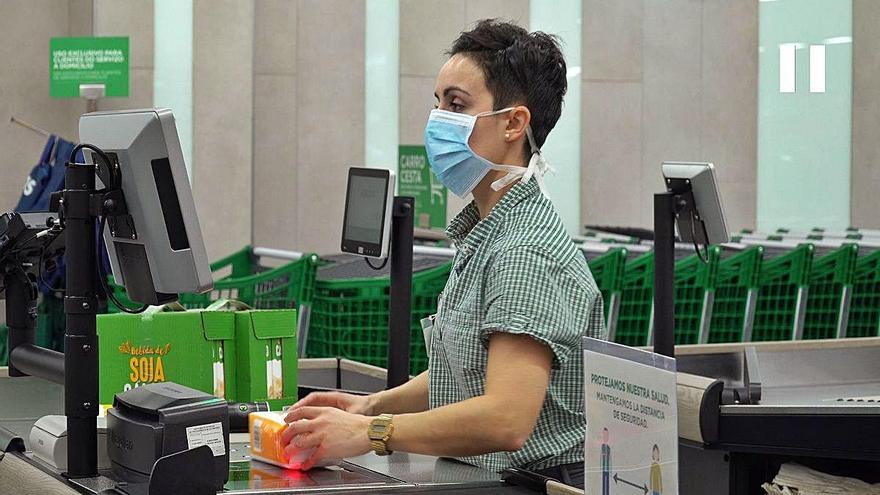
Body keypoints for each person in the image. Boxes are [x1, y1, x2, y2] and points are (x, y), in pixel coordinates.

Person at [281, 19, 606, 489]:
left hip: (530, 484)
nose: (438, 122)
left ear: (514, 123)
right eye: (437, 104)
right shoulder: (488, 234)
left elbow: (505, 419)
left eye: (457, 105)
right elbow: (467, 373)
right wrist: (371, 405)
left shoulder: (524, 251)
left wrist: (370, 433)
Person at [601, 428, 612, 495]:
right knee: (603, 484)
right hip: (603, 469)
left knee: (607, 484)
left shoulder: (608, 447)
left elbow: (610, 459)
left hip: (607, 469)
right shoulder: (602, 446)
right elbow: (600, 458)